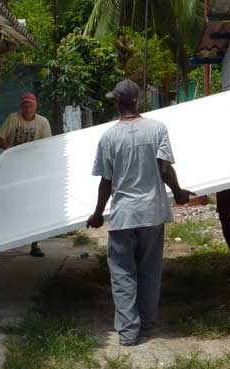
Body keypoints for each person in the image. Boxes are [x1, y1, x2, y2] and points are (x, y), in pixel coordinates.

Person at [87, 79, 194, 346]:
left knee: (122, 273)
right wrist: (179, 192)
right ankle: (147, 325)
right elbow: (165, 168)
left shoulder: (108, 137)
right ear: (137, 100)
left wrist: (98, 213)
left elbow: (106, 182)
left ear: (116, 101)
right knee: (149, 270)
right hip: (152, 213)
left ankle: (128, 332)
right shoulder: (157, 129)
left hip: (123, 215)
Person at [0, 93, 52, 257]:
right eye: (24, 105)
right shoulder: (13, 118)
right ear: (21, 106)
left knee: (34, 207)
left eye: (30, 105)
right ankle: (4, 242)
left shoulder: (42, 122)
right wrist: (10, 150)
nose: (27, 108)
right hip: (13, 169)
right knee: (12, 205)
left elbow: (47, 146)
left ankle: (35, 245)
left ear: (36, 106)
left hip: (34, 170)